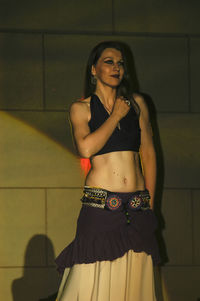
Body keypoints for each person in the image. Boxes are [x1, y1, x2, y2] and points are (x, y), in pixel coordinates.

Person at [55, 41, 160, 301]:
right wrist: (115, 116)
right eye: (109, 61)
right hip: (101, 208)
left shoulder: (137, 104)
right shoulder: (81, 108)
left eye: (121, 62)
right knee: (91, 282)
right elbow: (86, 148)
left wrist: (150, 206)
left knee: (134, 284)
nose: (116, 67)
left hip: (137, 207)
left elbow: (148, 154)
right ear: (93, 70)